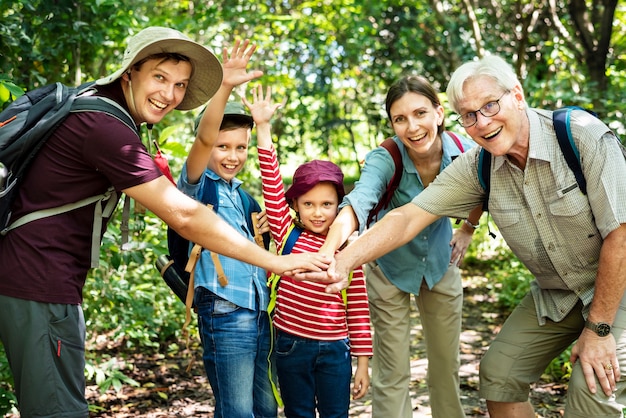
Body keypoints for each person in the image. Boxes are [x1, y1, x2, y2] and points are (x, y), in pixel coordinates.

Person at [0, 27, 328, 418]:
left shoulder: (102, 112)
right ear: (129, 74)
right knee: (57, 410)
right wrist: (278, 262)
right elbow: (184, 214)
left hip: (42, 279)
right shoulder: (105, 127)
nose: (169, 95)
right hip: (38, 279)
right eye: (159, 77)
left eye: (180, 85)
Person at [302, 55, 626, 418]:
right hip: (555, 293)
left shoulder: (580, 135)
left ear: (516, 94)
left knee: (592, 389)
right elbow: (407, 217)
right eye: (470, 115)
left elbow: (622, 234)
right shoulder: (478, 164)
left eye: (490, 105)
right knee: (498, 376)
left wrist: (598, 330)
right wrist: (343, 259)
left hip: (618, 282)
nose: (483, 122)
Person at [318, 75, 481, 418]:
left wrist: (468, 226)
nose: (413, 127)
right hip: (388, 268)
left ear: (439, 113)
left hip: (440, 262)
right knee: (392, 371)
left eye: (420, 113)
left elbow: (483, 187)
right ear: (392, 124)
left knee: (445, 367)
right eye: (400, 119)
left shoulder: (466, 153)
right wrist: (329, 252)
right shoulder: (386, 157)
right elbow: (358, 202)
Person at [244, 84, 373, 418]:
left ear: (339, 206)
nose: (318, 212)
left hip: (335, 350)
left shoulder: (347, 247)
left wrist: (362, 363)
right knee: (298, 413)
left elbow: (358, 307)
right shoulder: (286, 233)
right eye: (309, 204)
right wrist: (262, 125)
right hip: (290, 344)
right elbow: (271, 181)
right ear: (296, 206)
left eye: (327, 204)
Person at [178, 39, 279, 418]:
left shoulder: (244, 197)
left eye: (240, 147)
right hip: (225, 309)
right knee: (237, 410)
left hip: (255, 310)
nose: (232, 156)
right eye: (223, 147)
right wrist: (225, 86)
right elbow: (204, 139)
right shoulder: (196, 184)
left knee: (265, 406)